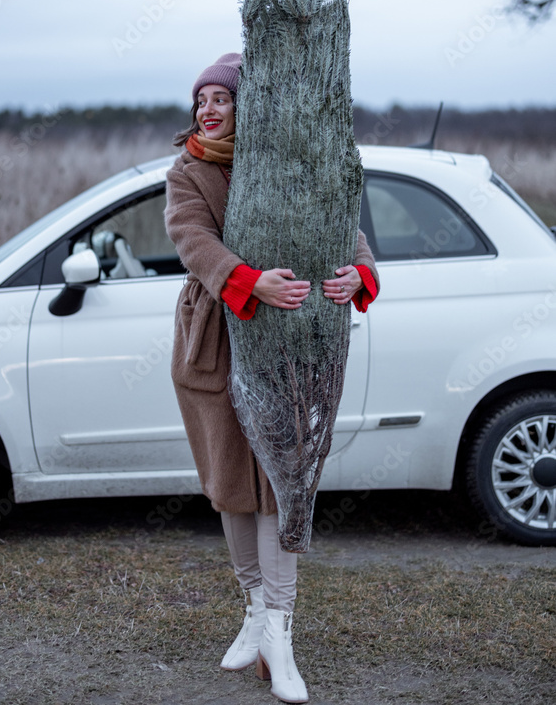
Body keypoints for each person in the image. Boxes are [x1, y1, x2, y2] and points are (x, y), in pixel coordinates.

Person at [165, 52, 379, 704]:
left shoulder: (298, 165)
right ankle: (254, 612)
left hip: (290, 345)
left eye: (220, 98)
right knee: (233, 485)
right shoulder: (188, 169)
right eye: (200, 98)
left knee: (283, 488)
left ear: (248, 106)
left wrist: (354, 275)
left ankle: (280, 635)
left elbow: (347, 231)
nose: (207, 108)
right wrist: (246, 279)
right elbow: (190, 237)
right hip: (215, 345)